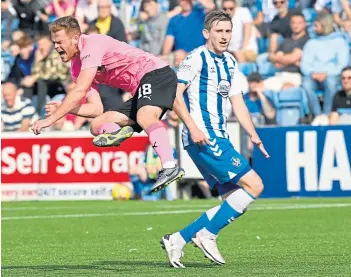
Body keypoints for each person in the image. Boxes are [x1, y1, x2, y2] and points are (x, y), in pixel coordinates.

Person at [160, 10, 269, 268]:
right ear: (206, 33)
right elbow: (175, 96)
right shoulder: (195, 58)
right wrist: (193, 128)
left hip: (220, 136)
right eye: (219, 31)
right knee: (255, 185)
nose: (224, 36)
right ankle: (207, 235)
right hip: (204, 138)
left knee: (232, 201)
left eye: (228, 31)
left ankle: (177, 239)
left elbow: (238, 102)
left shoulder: (230, 61)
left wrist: (253, 134)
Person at [31, 16, 184, 191]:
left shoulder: (92, 44)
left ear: (75, 38)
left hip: (155, 73)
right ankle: (119, 133)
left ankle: (170, 165)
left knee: (145, 116)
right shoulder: (76, 67)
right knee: (97, 125)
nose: (56, 47)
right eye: (54, 42)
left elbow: (79, 91)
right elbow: (96, 109)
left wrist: (49, 120)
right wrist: (67, 109)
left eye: (59, 42)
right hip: (140, 91)